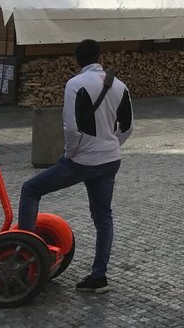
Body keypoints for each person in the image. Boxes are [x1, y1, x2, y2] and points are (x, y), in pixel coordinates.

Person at [17, 39, 134, 294]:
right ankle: (99, 277)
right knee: (103, 218)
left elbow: (72, 128)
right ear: (99, 57)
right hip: (110, 159)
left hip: (82, 160)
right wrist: (111, 145)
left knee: (30, 190)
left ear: (77, 60)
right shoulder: (120, 85)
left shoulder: (75, 84)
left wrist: (70, 154)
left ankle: (24, 256)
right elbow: (127, 127)